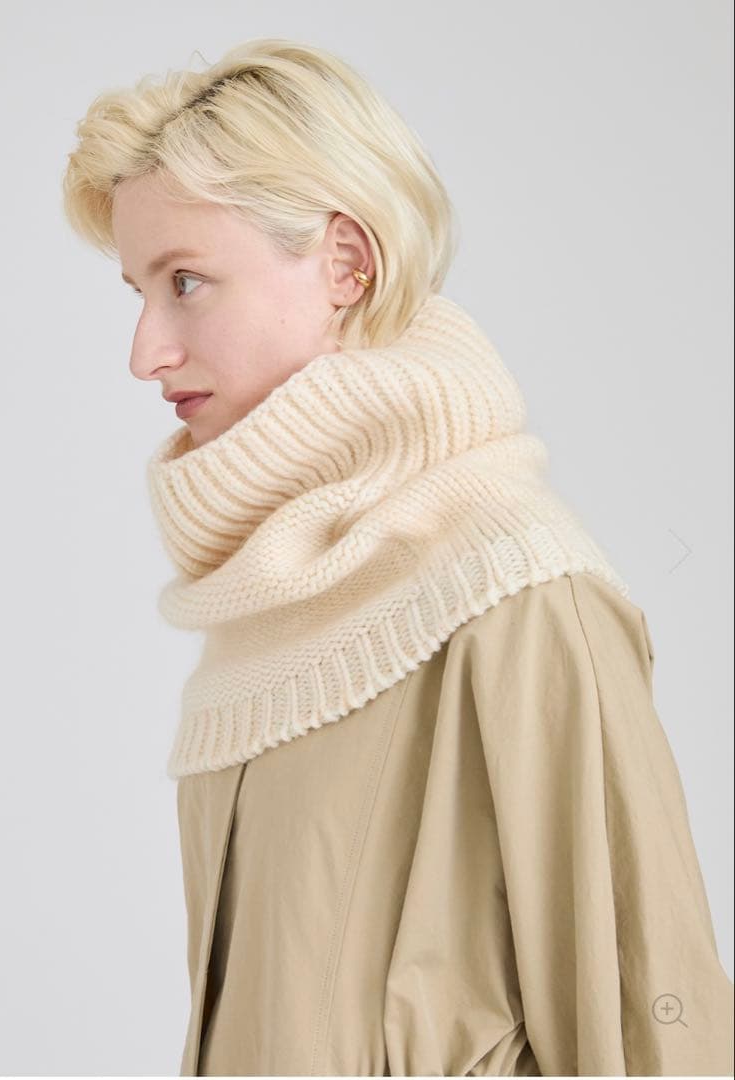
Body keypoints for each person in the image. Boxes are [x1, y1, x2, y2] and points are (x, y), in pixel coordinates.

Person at [62, 37, 734, 1077]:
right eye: (138, 294)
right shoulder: (263, 599)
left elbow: (650, 1027)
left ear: (347, 263)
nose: (145, 352)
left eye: (186, 282)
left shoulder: (516, 590)